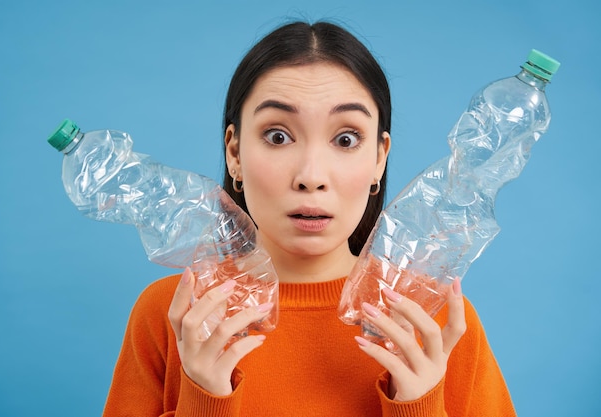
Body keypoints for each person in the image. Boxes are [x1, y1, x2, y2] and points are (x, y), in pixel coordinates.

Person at [103, 21, 516, 417]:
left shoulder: (431, 325)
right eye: (278, 136)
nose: (311, 177)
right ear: (234, 154)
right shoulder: (176, 316)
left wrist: (419, 407)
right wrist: (204, 399)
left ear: (379, 158)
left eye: (346, 139)